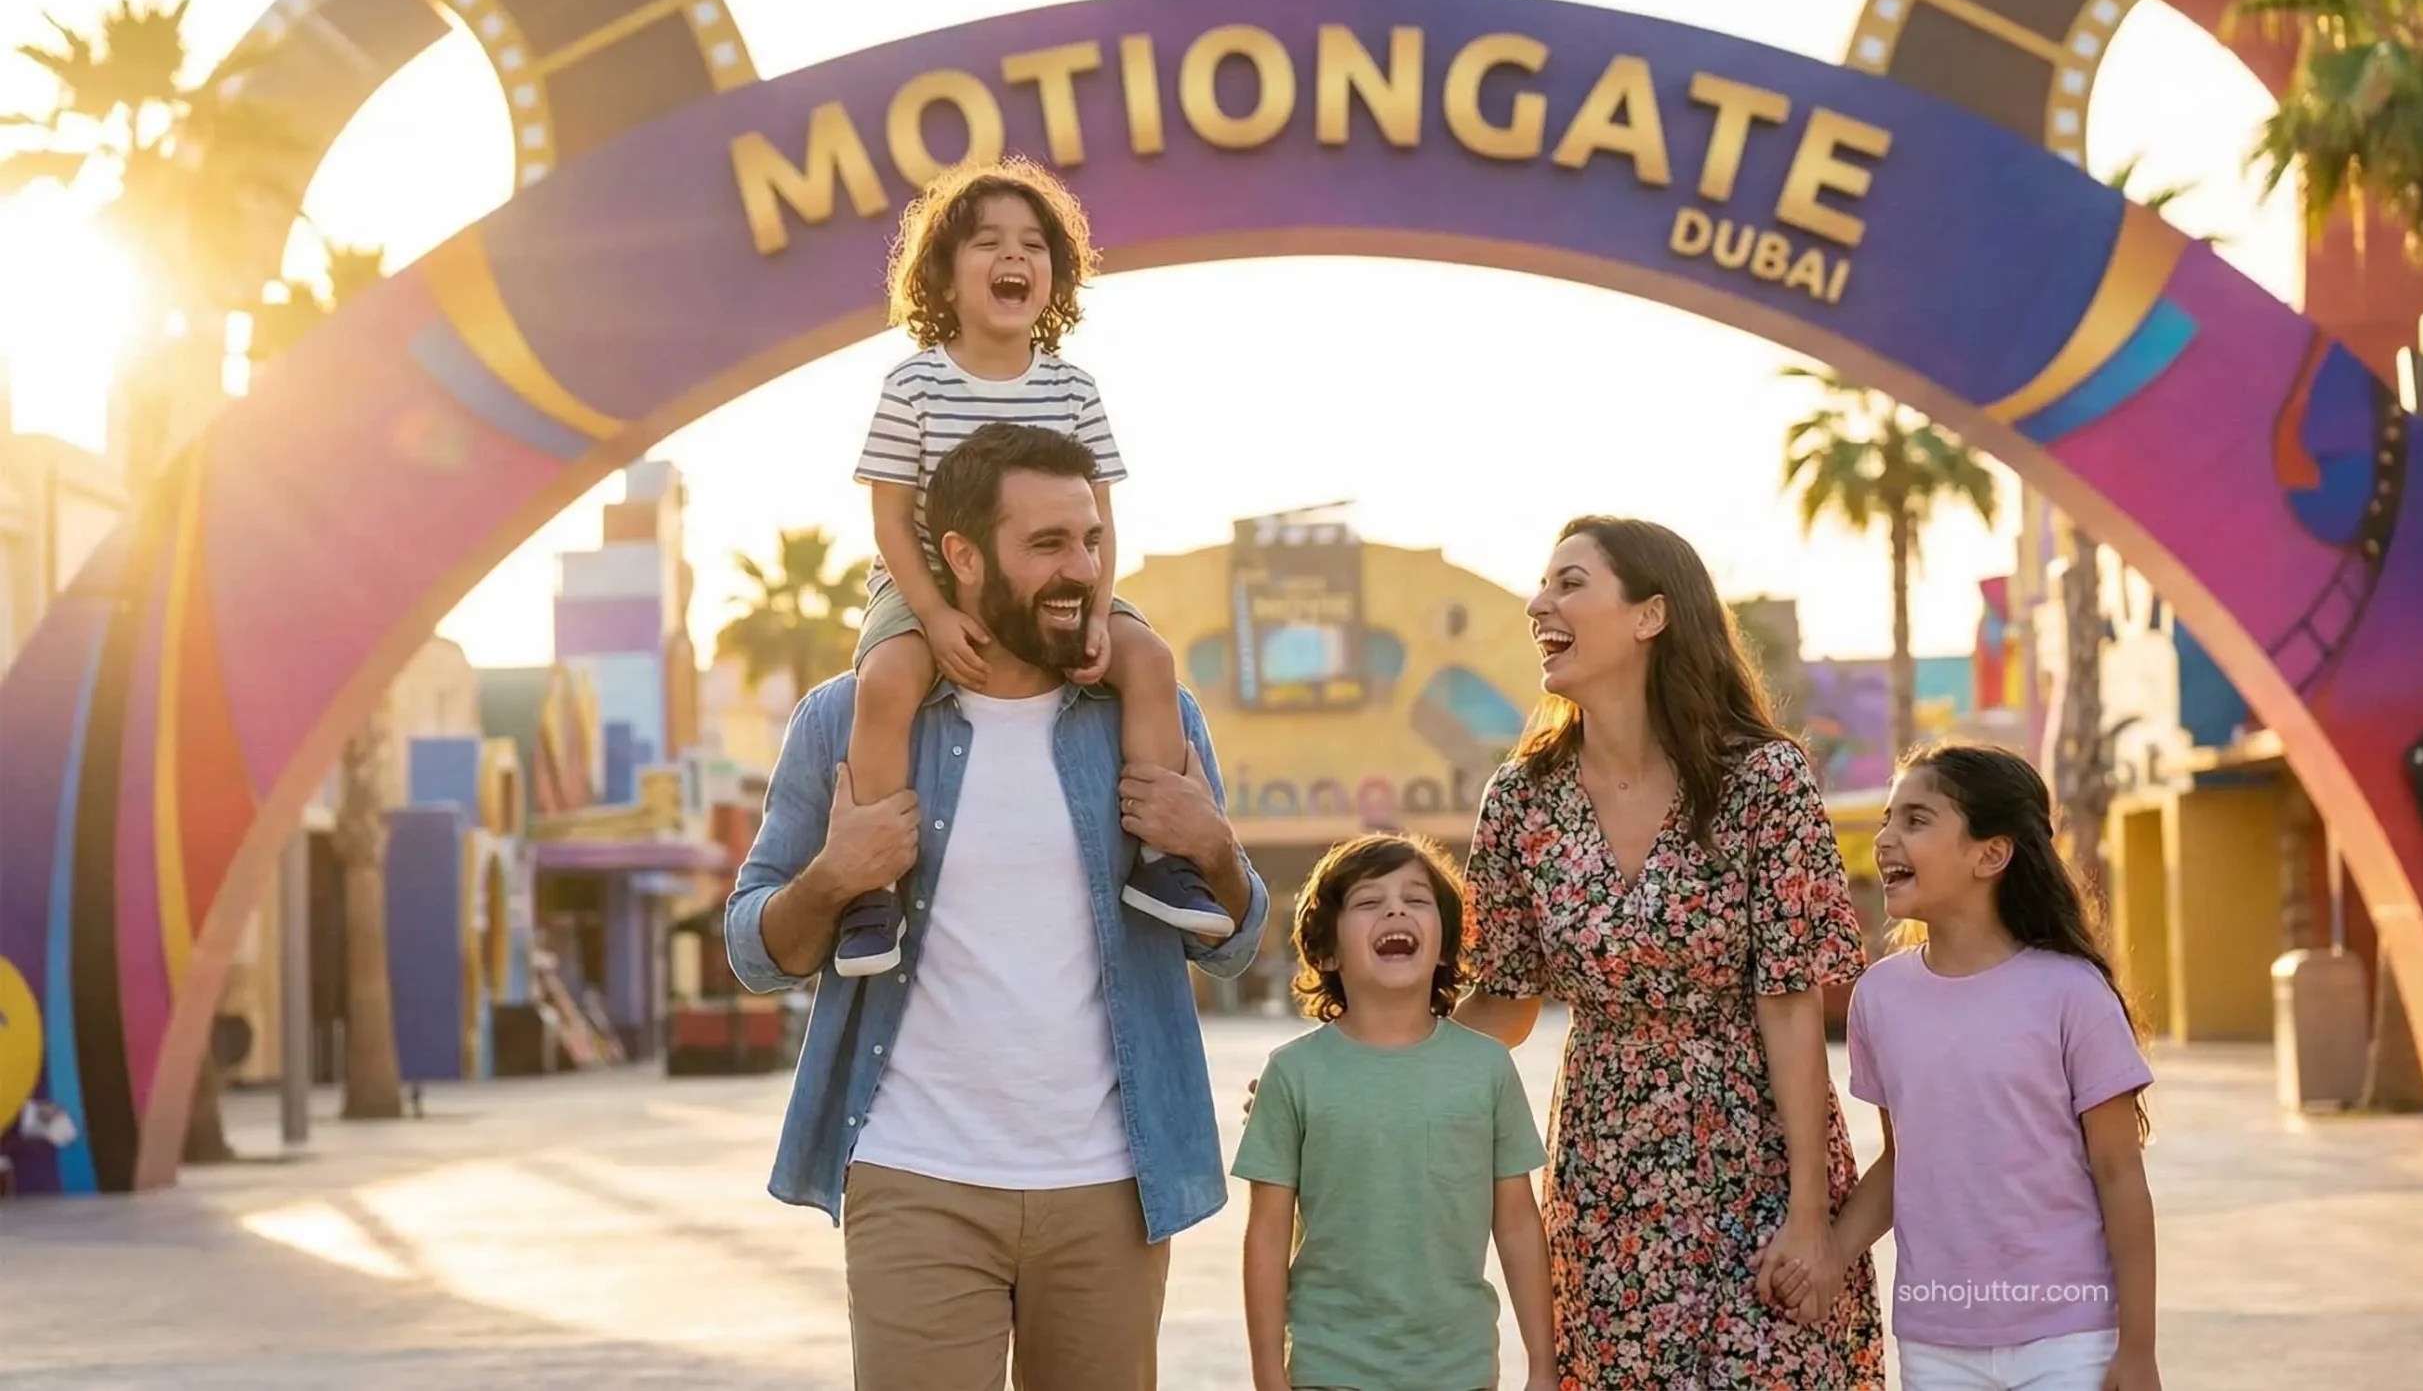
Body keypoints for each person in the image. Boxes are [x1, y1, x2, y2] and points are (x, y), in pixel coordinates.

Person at [723, 423, 1269, 1390]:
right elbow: (754, 947)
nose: (1082, 570)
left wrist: (1216, 851)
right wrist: (836, 876)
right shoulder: (846, 716)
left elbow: (1232, 945)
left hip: (1113, 1182)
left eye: (1091, 540)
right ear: (964, 557)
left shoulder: (1152, 714)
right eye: (1047, 544)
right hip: (914, 1172)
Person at [1456, 516, 1886, 1388]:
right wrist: (1357, 1061)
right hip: (1605, 1180)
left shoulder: (1764, 779)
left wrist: (1811, 1214)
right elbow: (1503, 1002)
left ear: (1651, 614)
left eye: (1570, 582)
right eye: (1543, 584)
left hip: (1761, 1161)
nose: (1538, 603)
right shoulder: (1521, 800)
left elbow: (1790, 1001)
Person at [834, 158, 1229, 979]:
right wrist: (935, 615)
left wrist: (1098, 613)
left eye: (1033, 244)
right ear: (944, 275)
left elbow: (1100, 522)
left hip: (1061, 591)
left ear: (1056, 275)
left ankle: (1164, 858)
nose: (1013, 255)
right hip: (923, 586)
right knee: (885, 683)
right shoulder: (913, 385)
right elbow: (890, 518)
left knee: (1150, 661)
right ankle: (872, 890)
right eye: (988, 242)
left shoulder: (1073, 390)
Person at [1793, 743, 2158, 1391]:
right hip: (1936, 1342)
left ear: (1991, 855)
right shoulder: (1880, 998)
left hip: (2069, 1337)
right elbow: (1903, 1158)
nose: (1885, 839)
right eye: (1887, 818)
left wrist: (2137, 1349)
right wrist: (1829, 1255)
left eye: (1916, 819)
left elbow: (2120, 1174)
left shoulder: (2071, 993)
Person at [1234, 834, 1561, 1391]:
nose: (1395, 910)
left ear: (1445, 946)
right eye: (1368, 901)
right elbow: (1266, 1236)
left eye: (1416, 899)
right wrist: (1268, 1375)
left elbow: (1517, 1224)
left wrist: (1543, 1366)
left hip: (1459, 1372)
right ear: (1327, 952)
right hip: (1328, 1370)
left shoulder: (1487, 1069)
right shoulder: (1291, 1074)